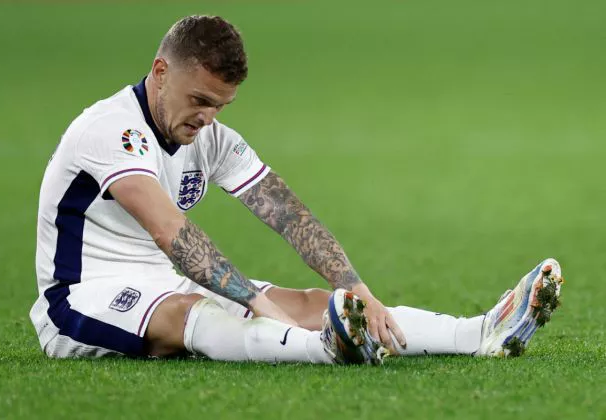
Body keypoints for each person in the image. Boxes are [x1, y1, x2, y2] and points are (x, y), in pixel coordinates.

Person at [29, 15, 564, 364]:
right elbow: (174, 232)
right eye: (199, 100)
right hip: (82, 299)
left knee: (316, 302)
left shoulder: (210, 136)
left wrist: (361, 292)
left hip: (158, 280)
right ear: (160, 70)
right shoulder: (111, 130)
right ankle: (321, 349)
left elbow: (289, 216)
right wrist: (259, 304)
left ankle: (478, 334)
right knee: (199, 315)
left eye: (220, 106)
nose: (208, 117)